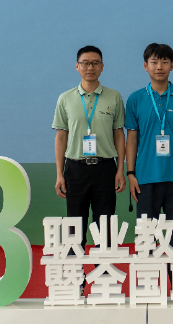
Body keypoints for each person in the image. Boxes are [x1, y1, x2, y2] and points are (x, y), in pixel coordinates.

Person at [124, 43, 173, 254]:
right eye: (154, 62)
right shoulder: (136, 99)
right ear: (145, 66)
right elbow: (132, 139)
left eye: (164, 62)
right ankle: (147, 277)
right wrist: (131, 174)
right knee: (146, 237)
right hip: (146, 178)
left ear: (172, 65)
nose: (159, 67)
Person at [52, 45, 126, 243]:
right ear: (77, 66)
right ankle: (75, 264)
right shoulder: (65, 99)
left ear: (102, 66)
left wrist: (120, 169)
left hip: (105, 168)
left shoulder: (114, 97)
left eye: (95, 63)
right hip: (75, 169)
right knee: (74, 228)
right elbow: (61, 137)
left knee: (105, 227)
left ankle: (103, 264)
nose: (90, 67)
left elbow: (119, 134)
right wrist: (60, 173)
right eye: (85, 63)